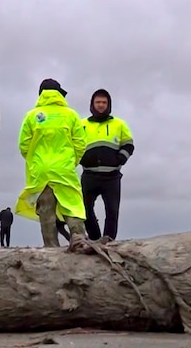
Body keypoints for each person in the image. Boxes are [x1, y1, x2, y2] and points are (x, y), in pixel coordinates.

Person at [15, 78, 88, 249]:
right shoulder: (71, 115)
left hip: (41, 170)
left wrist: (35, 162)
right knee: (72, 204)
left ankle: (51, 247)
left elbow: (23, 145)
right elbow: (81, 143)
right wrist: (71, 161)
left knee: (46, 211)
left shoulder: (32, 116)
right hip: (64, 168)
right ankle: (78, 238)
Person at [79, 88, 135, 243]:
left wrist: (120, 159)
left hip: (112, 176)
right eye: (98, 102)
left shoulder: (119, 124)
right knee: (84, 210)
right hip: (89, 175)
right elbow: (73, 145)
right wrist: (81, 159)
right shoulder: (81, 124)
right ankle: (95, 238)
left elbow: (129, 144)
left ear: (109, 104)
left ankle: (108, 241)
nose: (101, 105)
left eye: (104, 102)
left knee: (112, 211)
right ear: (92, 104)